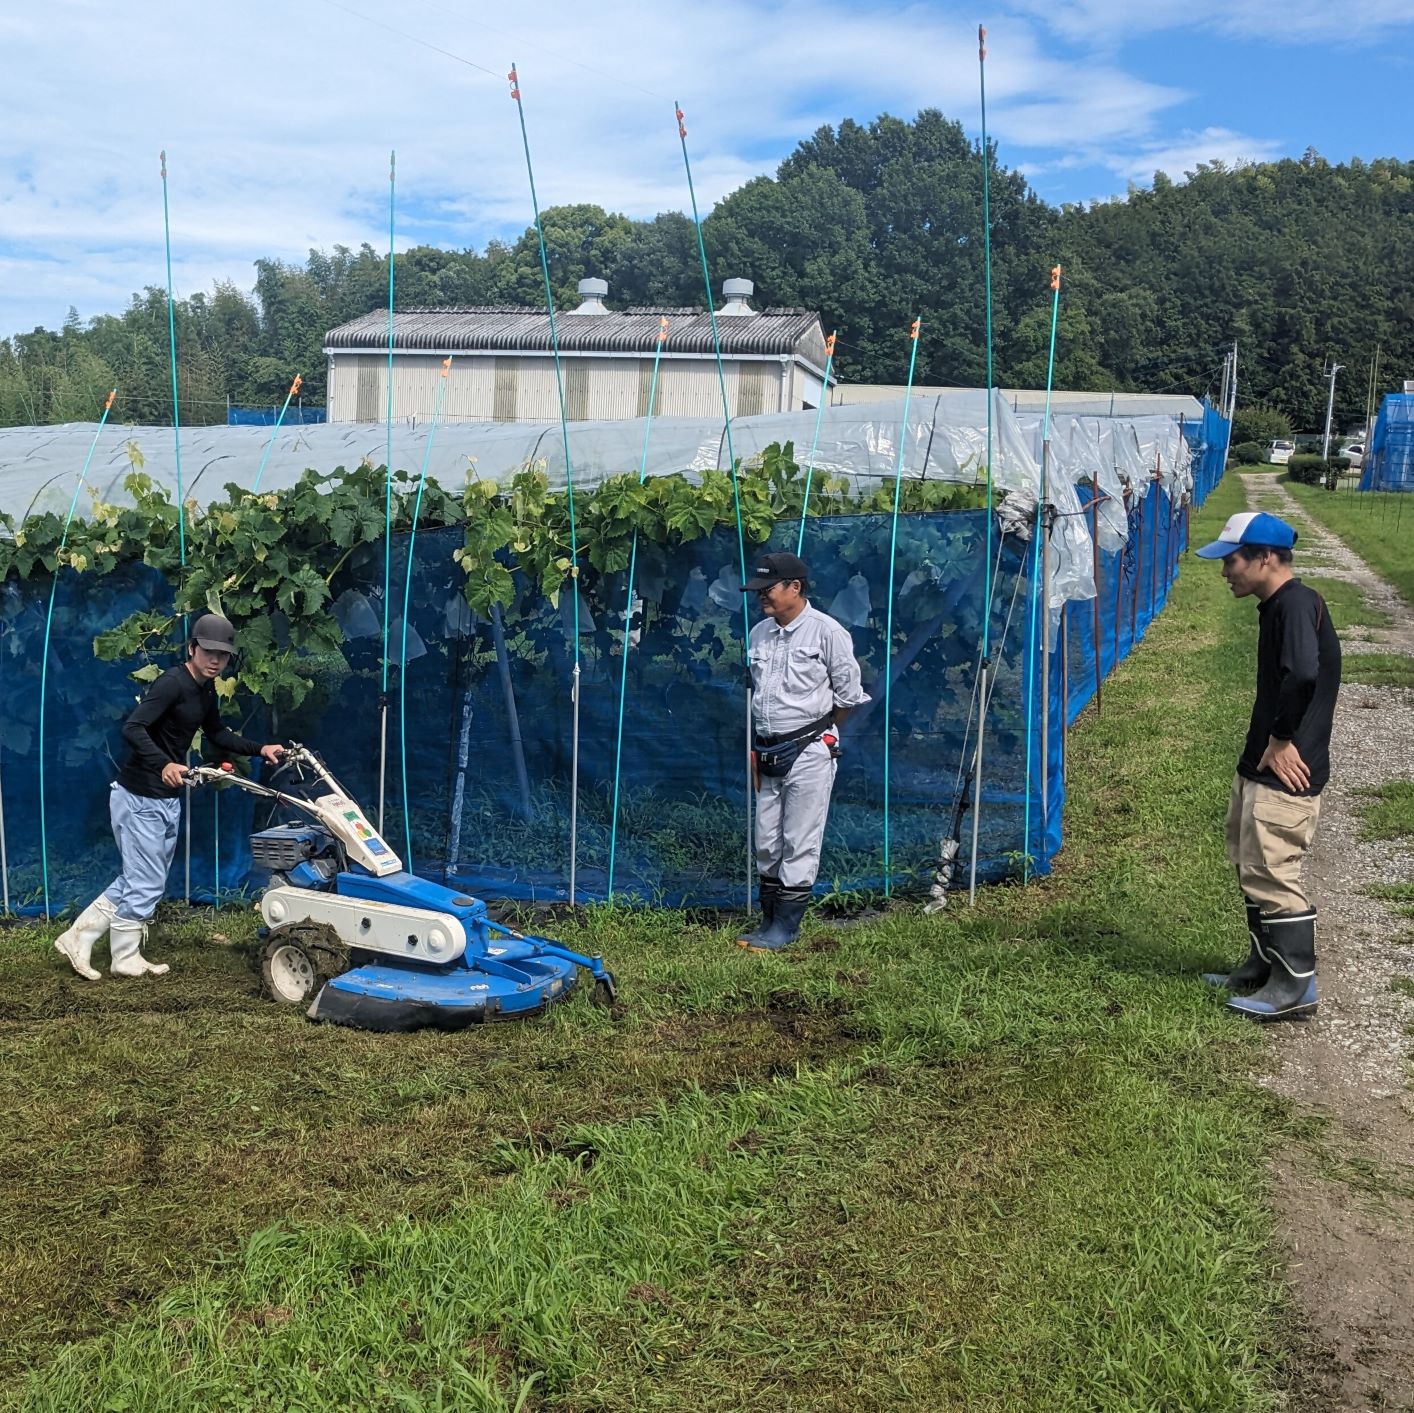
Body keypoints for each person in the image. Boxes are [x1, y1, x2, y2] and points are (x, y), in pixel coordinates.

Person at [52, 614, 284, 980]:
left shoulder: (205, 690)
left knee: (140, 877)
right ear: (192, 648)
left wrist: (261, 748)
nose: (215, 660)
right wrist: (163, 763)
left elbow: (217, 733)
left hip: (164, 798)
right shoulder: (172, 684)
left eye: (222, 655)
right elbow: (133, 727)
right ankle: (124, 956)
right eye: (208, 652)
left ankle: (78, 937)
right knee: (146, 881)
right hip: (139, 796)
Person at [1195, 511, 1341, 1022]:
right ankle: (1263, 964)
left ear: (1265, 558)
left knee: (1273, 873)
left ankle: (1296, 987)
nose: (1224, 572)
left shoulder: (1296, 605)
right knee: (1250, 864)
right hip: (1260, 764)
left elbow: (1302, 674)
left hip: (1285, 771)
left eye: (1231, 561)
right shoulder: (1276, 606)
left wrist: (1280, 741)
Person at [736, 551, 868, 952]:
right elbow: (757, 694)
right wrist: (759, 746)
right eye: (758, 590)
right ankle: (767, 919)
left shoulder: (827, 633)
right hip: (766, 749)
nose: (761, 596)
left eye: (768, 588)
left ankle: (786, 926)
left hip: (809, 748)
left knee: (799, 839)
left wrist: (817, 735)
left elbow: (848, 696)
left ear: (795, 587)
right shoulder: (759, 633)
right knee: (766, 840)